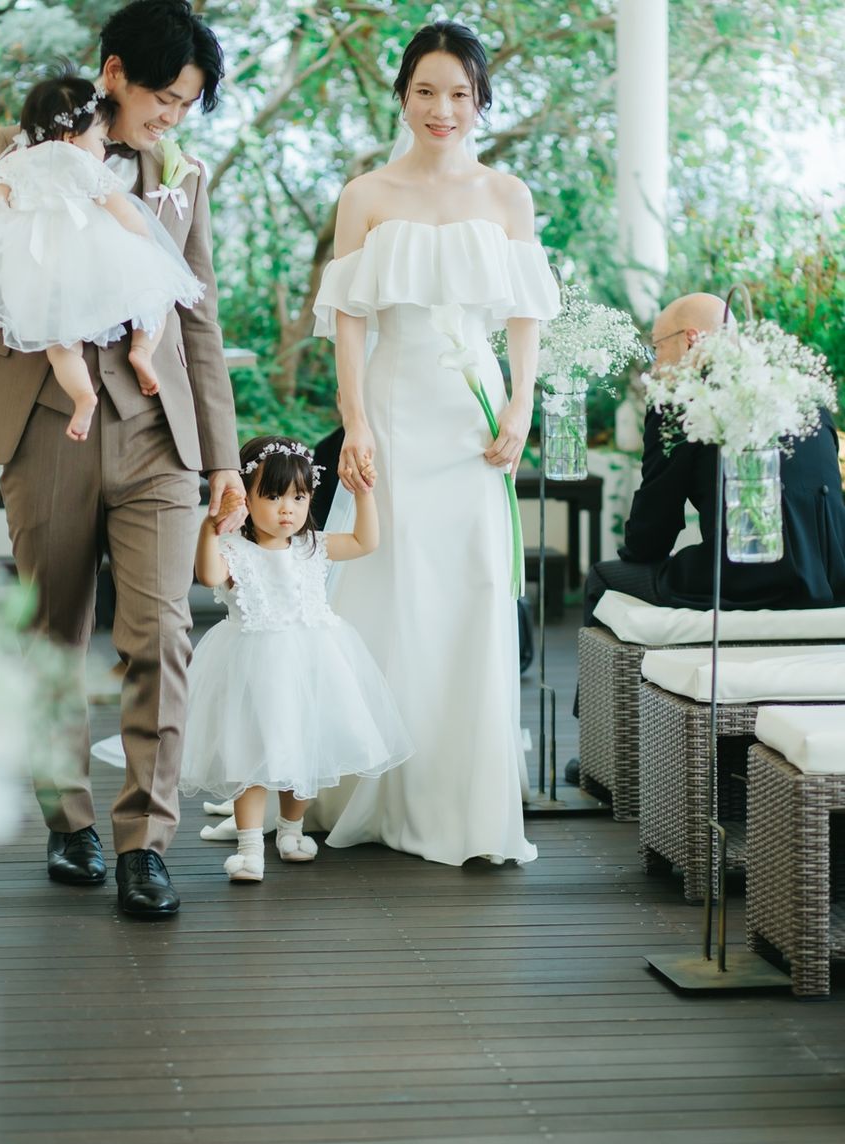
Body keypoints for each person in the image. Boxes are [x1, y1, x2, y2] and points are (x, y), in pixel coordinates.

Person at [0, 0, 246, 918]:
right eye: (165, 97)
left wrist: (223, 459)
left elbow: (198, 315)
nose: (173, 117)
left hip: (159, 430)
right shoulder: (19, 143)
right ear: (114, 72)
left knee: (161, 632)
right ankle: (68, 820)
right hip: (48, 418)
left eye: (188, 104)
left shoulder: (182, 175)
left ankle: (144, 844)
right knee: (54, 633)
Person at [306, 21, 559, 866]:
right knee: (391, 582)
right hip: (394, 406)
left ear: (480, 101)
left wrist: (520, 405)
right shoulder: (366, 195)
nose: (441, 108)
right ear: (403, 97)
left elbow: (524, 313)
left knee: (475, 585)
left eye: (458, 93)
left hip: (474, 418)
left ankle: (465, 802)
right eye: (425, 91)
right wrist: (356, 420)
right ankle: (372, 785)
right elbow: (349, 319)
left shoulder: (507, 196)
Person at [0, 73, 205, 441]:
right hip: (93, 267)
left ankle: (82, 397)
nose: (103, 149)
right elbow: (121, 209)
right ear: (71, 136)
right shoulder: (85, 164)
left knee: (61, 346)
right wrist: (145, 241)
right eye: (100, 140)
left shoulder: (18, 161)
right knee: (153, 298)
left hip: (40, 274)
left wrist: (7, 216)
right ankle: (141, 351)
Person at [180, 437, 411, 882]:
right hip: (253, 670)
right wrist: (212, 525)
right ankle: (250, 847)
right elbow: (207, 575)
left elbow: (365, 541)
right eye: (272, 497)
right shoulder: (235, 550)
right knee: (250, 758)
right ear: (246, 499)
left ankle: (291, 829)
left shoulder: (312, 546)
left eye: (299, 497)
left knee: (304, 752)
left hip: (312, 666)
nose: (287, 508)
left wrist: (364, 494)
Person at [582, 291, 845, 624]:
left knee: (602, 578)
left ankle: (632, 662)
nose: (655, 366)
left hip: (746, 583)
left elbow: (652, 532)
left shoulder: (680, 401)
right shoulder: (802, 395)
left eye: (657, 348)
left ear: (691, 339)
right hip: (832, 582)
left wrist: (640, 554)